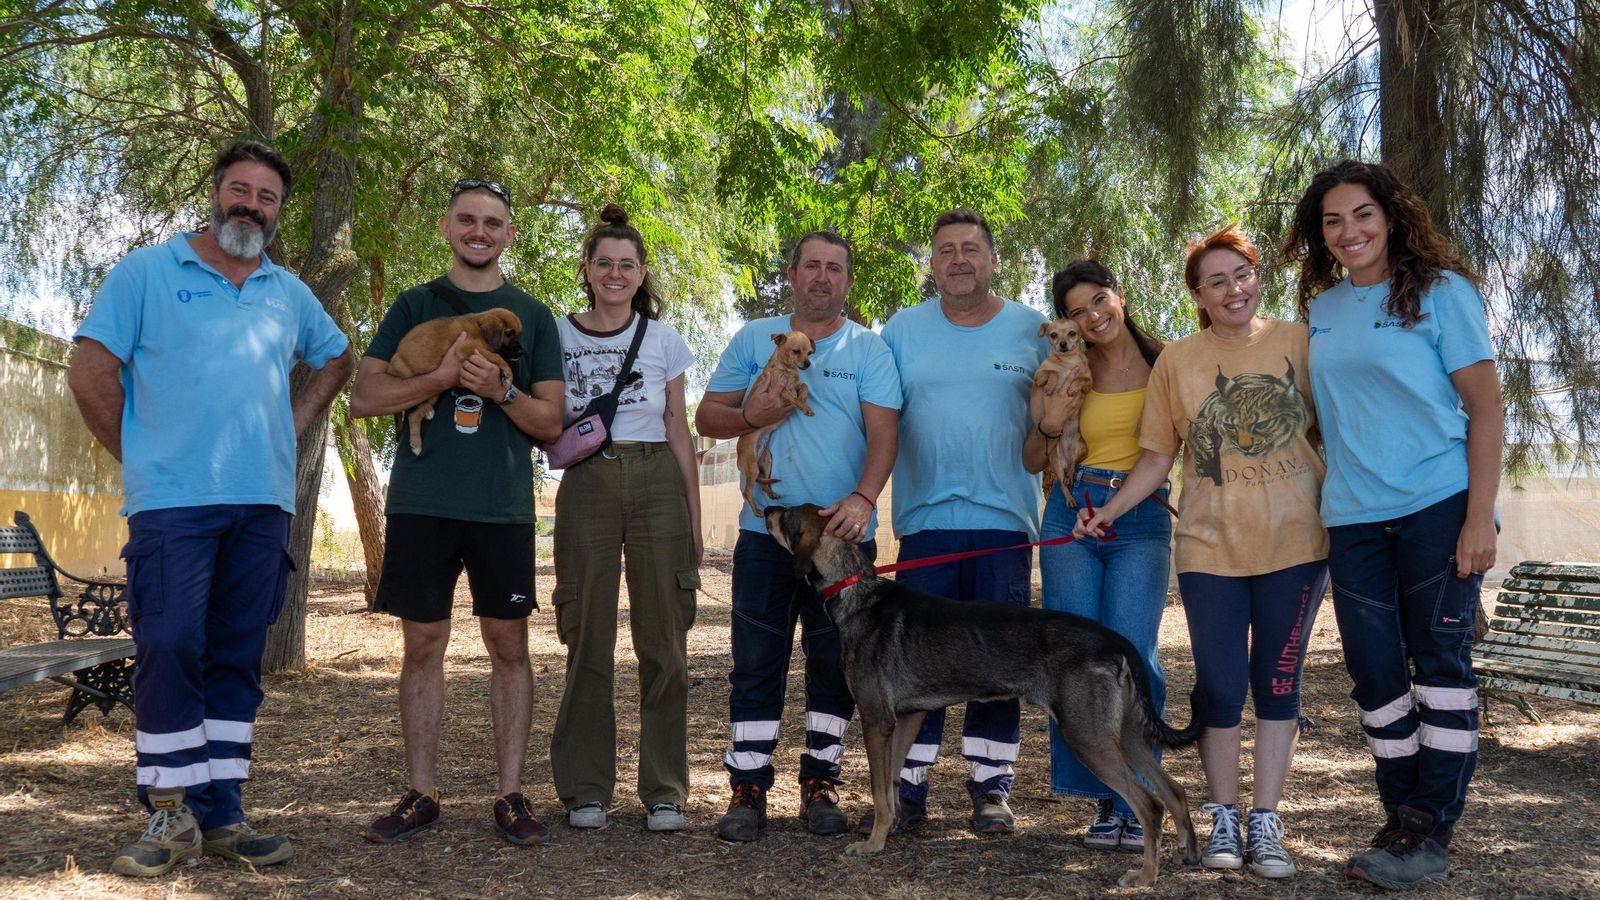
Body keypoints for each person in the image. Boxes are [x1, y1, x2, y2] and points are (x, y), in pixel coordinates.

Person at [68, 140, 353, 876]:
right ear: (216, 190)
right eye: (240, 189)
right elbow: (91, 369)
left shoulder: (287, 292)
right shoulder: (147, 274)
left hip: (260, 505)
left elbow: (337, 357)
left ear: (278, 212)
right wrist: (143, 456)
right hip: (173, 507)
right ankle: (169, 813)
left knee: (234, 656)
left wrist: (291, 423)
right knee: (167, 644)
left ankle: (223, 812)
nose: (250, 206)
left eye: (267, 198)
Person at [1073, 225, 1328, 878]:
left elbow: (1337, 431)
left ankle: (1266, 822)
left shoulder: (1300, 342)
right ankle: (1225, 818)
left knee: (1278, 683)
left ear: (1257, 275)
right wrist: (1107, 512)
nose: (1232, 289)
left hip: (1297, 545)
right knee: (1218, 687)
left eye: (1240, 274)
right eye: (1215, 281)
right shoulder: (1178, 362)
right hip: (1209, 549)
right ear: (1198, 294)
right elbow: (1159, 457)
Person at [1284, 160, 1501, 891]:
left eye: (1363, 214)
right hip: (1354, 517)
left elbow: (1487, 408)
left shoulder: (1442, 294)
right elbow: (1321, 418)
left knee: (1439, 672)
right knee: (1375, 677)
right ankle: (1402, 815)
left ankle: (1430, 828)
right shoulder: (1323, 310)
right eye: (1333, 221)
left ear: (1392, 216)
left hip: (1437, 508)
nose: (1350, 231)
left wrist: (1478, 518)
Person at [350, 178, 565, 847]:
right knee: (422, 646)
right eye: (467, 220)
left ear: (508, 234)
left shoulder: (532, 316)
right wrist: (438, 381)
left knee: (509, 646)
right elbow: (363, 397)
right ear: (446, 226)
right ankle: (421, 793)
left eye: (492, 223)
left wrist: (502, 389)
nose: (479, 232)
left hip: (501, 506)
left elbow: (553, 423)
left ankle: (510, 795)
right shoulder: (416, 305)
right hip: (422, 503)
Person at [696, 231, 900, 842]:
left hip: (841, 538)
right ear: (792, 274)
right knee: (756, 662)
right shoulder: (754, 339)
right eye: (811, 265)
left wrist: (864, 499)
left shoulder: (870, 350)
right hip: (768, 533)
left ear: (848, 281)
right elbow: (707, 417)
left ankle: (821, 782)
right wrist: (750, 418)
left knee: (833, 662)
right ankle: (749, 786)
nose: (822, 276)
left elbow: (884, 435)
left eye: (834, 268)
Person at [875, 209, 1047, 835]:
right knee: (917, 664)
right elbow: (873, 416)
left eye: (970, 249)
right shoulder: (901, 331)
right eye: (945, 250)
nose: (958, 260)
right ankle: (908, 789)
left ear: (994, 259)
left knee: (999, 662)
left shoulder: (1033, 330)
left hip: (1005, 521)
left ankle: (991, 789)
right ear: (932, 264)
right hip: (925, 524)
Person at [549, 204, 701, 833]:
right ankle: (586, 788)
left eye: (627, 265)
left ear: (642, 275)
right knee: (588, 633)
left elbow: (678, 428)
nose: (615, 273)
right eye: (604, 263)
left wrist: (693, 517)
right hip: (587, 481)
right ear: (587, 270)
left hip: (657, 481)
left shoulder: (665, 340)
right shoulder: (555, 333)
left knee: (664, 639)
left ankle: (664, 788)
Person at [1022, 258, 1169, 852]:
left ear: (1121, 295)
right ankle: (1104, 798)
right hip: (1067, 509)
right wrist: (1051, 423)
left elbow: (1171, 451)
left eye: (1099, 301)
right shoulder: (1060, 367)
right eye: (1077, 312)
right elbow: (1034, 457)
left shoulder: (1166, 363)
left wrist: (1109, 509)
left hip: (1138, 515)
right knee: (1073, 659)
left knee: (1133, 653)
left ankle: (1138, 792)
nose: (1091, 317)